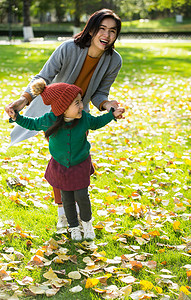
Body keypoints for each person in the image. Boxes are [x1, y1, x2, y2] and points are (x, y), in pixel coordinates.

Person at [5, 8, 123, 229]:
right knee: (61, 163)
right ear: (91, 30)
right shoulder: (68, 48)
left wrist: (108, 105)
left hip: (81, 113)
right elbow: (43, 76)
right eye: (102, 29)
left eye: (112, 31)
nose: (106, 35)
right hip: (56, 115)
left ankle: (76, 211)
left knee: (77, 161)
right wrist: (24, 100)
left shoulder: (113, 60)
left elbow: (100, 93)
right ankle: (63, 212)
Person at [6, 79, 125, 241]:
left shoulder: (84, 119)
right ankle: (74, 227)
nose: (82, 106)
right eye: (77, 103)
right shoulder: (49, 120)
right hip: (60, 166)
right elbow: (31, 123)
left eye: (81, 101)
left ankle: (87, 224)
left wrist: (112, 115)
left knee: (82, 196)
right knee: (67, 198)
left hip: (80, 164)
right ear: (62, 108)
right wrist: (16, 117)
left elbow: (97, 122)